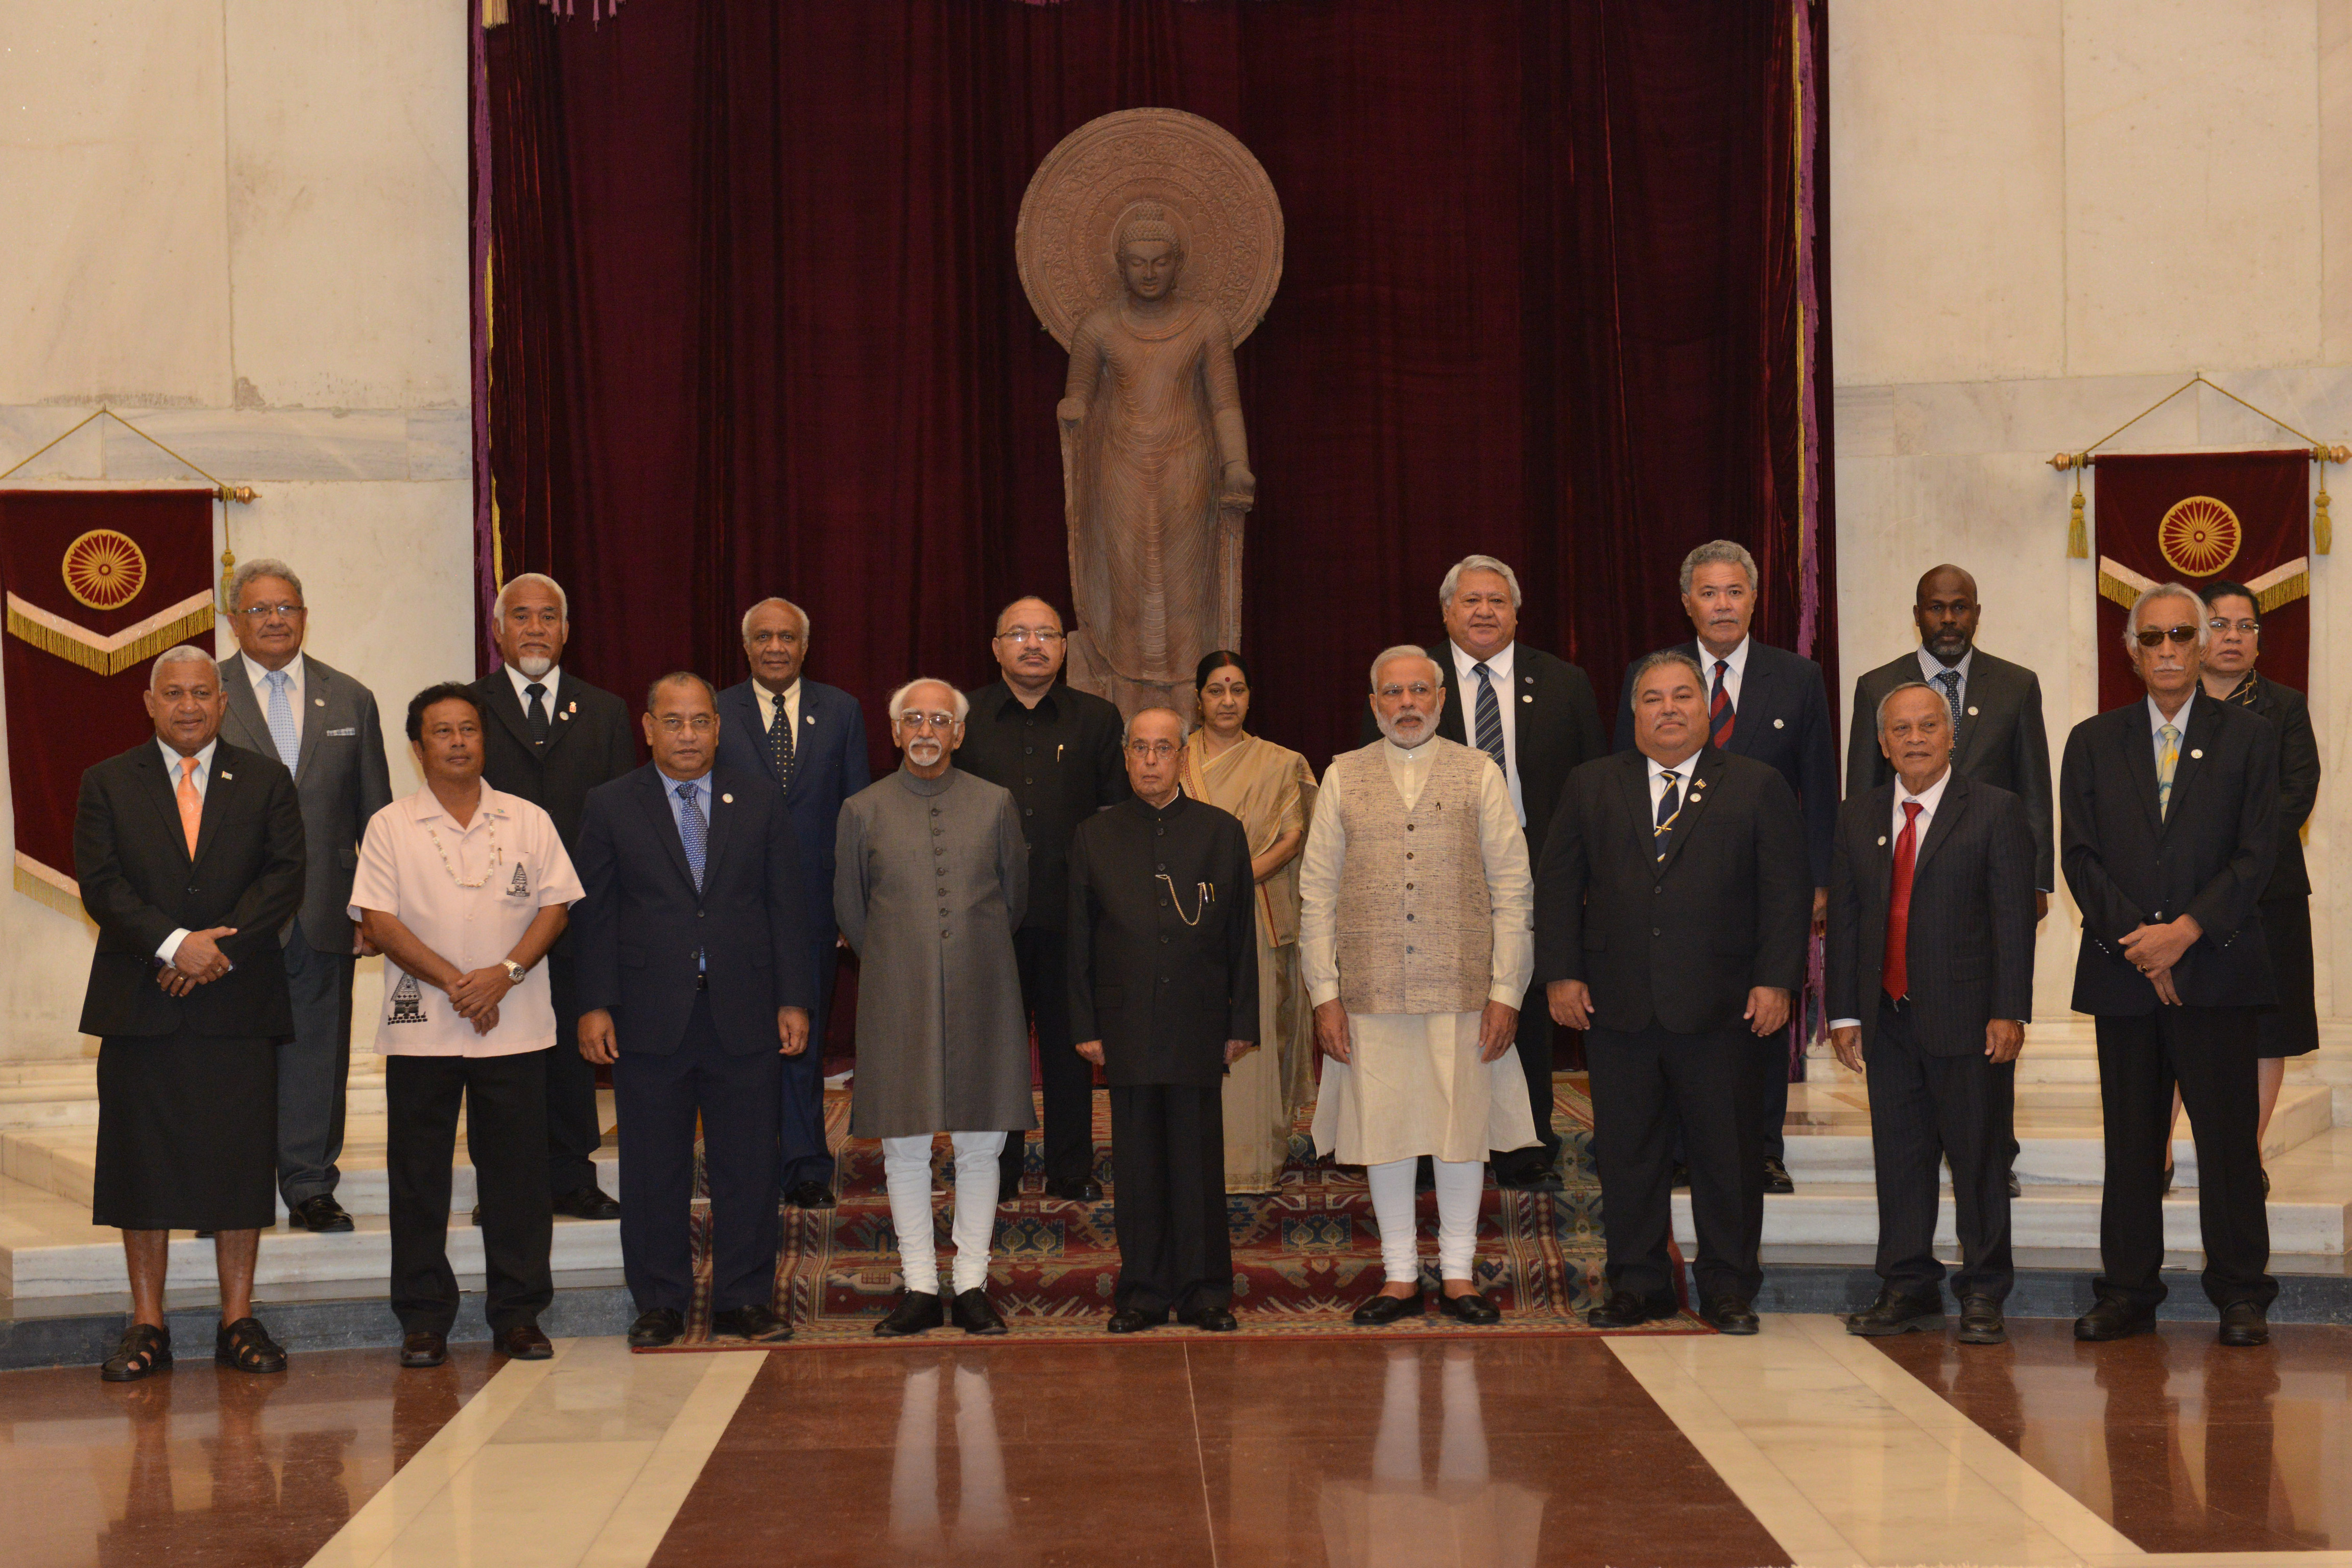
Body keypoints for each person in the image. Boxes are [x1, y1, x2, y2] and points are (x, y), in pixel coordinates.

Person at [1542, 650, 1810, 1333]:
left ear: (1705, 707)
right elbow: (1557, 887)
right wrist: (1562, 972)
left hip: (1723, 1008)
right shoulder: (1590, 783)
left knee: (1727, 1154)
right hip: (1617, 1005)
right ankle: (1638, 1282)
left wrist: (1776, 979)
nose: (1667, 708)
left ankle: (1727, 1286)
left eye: (1681, 695)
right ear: (1633, 713)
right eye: (1652, 697)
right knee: (1628, 1154)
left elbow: (1784, 894)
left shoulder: (1755, 784)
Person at [74, 645, 306, 1381]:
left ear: (223, 701)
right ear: (149, 701)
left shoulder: (266, 780)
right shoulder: (107, 781)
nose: (188, 706)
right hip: (141, 999)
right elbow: (102, 885)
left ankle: (238, 1317)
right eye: (172, 693)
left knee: (240, 1160)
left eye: (202, 693)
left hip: (237, 997)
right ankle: (148, 1322)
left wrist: (216, 951)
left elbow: (285, 875)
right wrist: (176, 946)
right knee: (142, 1163)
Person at [2061, 583, 2278, 1347]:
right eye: (2150, 637)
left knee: (2224, 1140)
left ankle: (2241, 1292)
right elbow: (2079, 857)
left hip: (2215, 968)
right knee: (2129, 1142)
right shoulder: (2091, 740)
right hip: (2124, 974)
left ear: (2198, 642)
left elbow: (2258, 855)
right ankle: (2126, 1290)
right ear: (2129, 647)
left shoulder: (2249, 738)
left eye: (2180, 635)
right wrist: (2141, 940)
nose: (2166, 649)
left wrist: (2183, 931)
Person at [574, 673, 814, 1349]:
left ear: (718, 727)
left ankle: (744, 1297)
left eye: (700, 721)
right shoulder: (611, 803)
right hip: (649, 1016)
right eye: (673, 721)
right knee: (653, 1166)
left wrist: (793, 996)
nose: (688, 734)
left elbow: (785, 907)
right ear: (647, 727)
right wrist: (595, 1004)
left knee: (749, 1163)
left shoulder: (760, 800)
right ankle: (660, 1300)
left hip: (744, 1011)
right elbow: (594, 914)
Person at [1302, 647, 1540, 1328]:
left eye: (1418, 690)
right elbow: (1314, 894)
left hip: (1463, 989)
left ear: (1439, 697)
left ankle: (1460, 1272)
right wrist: (1325, 993)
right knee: (1385, 1130)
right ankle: (1401, 1273)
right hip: (1369, 992)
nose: (1406, 702)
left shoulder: (1479, 771)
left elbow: (1512, 888)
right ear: (1373, 702)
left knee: (1459, 1128)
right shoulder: (1342, 775)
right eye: (1391, 692)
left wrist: (1507, 990)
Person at [351, 684, 583, 1368]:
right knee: (417, 1177)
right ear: (418, 747)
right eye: (442, 731)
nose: (458, 741)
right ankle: (423, 1319)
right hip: (423, 1025)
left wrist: (503, 973)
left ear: (484, 740)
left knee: (516, 1176)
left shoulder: (529, 818)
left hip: (514, 1023)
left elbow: (555, 907)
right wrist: (458, 981)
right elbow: (379, 920)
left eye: (469, 730)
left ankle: (518, 1314)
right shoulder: (390, 824)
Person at [1361, 556, 1607, 1190]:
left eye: (1497, 600)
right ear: (1445, 612)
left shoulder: (1564, 682)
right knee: (1434, 1006)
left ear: (1516, 613)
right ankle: (1424, 1142)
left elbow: (1595, 786)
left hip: (1542, 868)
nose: (1483, 612)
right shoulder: (1413, 682)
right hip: (1435, 875)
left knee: (1521, 996)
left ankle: (1523, 1143)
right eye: (1469, 600)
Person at [1616, 540, 1836, 1195]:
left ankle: (1763, 1148)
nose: (1722, 605)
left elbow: (1820, 787)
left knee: (1762, 1016)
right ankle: (1682, 1147)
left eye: (1734, 591)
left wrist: (1822, 878)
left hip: (1765, 887)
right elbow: (1624, 784)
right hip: (1668, 886)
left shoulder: (1795, 677)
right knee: (1679, 1018)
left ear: (1754, 599)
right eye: (1708, 593)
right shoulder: (1652, 674)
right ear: (1687, 602)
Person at [1827, 683, 2037, 1346]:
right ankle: (1906, 1286)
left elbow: (2013, 919)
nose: (1914, 738)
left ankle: (1982, 1291)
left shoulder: (1995, 811)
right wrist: (1841, 1011)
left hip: (1969, 1021)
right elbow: (1847, 922)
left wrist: (2009, 1009)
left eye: (1926, 726)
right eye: (1900, 729)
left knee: (1976, 1160)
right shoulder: (1857, 814)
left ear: (1950, 735)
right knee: (1900, 1160)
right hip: (1886, 1020)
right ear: (1881, 743)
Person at [1846, 563, 2053, 1199]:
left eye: (1959, 607)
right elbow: (1863, 788)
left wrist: (2037, 879)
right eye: (1935, 608)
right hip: (1900, 887)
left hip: (1986, 885)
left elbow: (2033, 787)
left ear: (1976, 612)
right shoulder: (1876, 685)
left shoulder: (2015, 685)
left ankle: (1994, 1150)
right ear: (1917, 613)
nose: (1947, 619)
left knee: (1990, 1020)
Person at [836, 679, 1036, 1337]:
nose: (926, 729)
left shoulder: (995, 803)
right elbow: (851, 911)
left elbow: (1016, 899)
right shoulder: (861, 809)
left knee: (982, 1144)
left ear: (958, 732)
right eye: (913, 718)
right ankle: (920, 1285)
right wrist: (904, 960)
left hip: (986, 990)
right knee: (905, 1146)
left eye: (940, 719)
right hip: (897, 994)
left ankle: (973, 1282)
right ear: (894, 732)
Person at [215, 557, 394, 1235]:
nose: (275, 619)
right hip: (232, 919)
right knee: (234, 1055)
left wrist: (374, 908)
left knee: (318, 1054)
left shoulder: (349, 697)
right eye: (260, 609)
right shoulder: (209, 691)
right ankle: (234, 1184)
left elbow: (375, 816)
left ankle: (311, 1184)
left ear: (305, 614)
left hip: (324, 913)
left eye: (287, 606)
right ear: (234, 621)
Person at [1069, 708, 1258, 1333]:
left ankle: (1206, 1289)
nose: (1151, 760)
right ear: (1125, 757)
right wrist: (1086, 1022)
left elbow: (1239, 938)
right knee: (1139, 1161)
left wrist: (1241, 1020)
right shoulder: (1094, 836)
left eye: (1163, 749)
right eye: (1140, 749)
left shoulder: (1220, 831)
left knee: (1197, 1160)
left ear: (1182, 756)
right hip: (1123, 1024)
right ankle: (1143, 1290)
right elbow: (1079, 940)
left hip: (1200, 1020)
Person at [468, 572, 635, 1222]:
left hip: (582, 911)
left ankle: (571, 1174)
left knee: (571, 1051)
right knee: (495, 1057)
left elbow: (625, 813)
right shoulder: (470, 706)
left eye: (547, 617)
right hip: (493, 916)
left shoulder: (604, 710)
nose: (534, 628)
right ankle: (503, 1184)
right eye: (521, 616)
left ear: (566, 631)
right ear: (498, 629)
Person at [956, 596, 1129, 1203]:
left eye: (1047, 634)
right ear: (996, 646)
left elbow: (1114, 820)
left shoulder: (1098, 719)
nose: (1034, 644)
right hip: (983, 916)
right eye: (1019, 634)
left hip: (1070, 912)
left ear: (1064, 647)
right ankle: (994, 1172)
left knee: (1069, 1044)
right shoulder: (963, 716)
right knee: (992, 1049)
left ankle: (1070, 1167)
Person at [714, 596, 870, 1210]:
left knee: (800, 1041)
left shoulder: (842, 711)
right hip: (731, 910)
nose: (775, 647)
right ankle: (748, 1160)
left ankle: (807, 1163)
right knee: (740, 1043)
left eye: (787, 637)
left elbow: (856, 813)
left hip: (812, 909)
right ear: (746, 646)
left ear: (805, 647)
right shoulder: (717, 710)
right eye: (763, 637)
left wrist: (849, 908)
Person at [2173, 578, 2320, 1185]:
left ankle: (2245, 1153)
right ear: (2197, 636)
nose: (2232, 637)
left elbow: (2296, 795)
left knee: (2267, 1028)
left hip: (2268, 896)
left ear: (2259, 640)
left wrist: (2236, 858)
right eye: (2220, 624)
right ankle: (2156, 1148)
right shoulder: (2171, 705)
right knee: (2175, 1023)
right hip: (2183, 896)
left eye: (2245, 626)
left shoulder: (2283, 707)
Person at [1180, 650, 1316, 1190]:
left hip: (1257, 917)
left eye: (1237, 688)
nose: (1228, 700)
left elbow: (1293, 837)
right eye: (1216, 689)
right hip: (1187, 917)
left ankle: (1258, 1159)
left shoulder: (1282, 762)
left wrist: (1232, 882)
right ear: (1198, 698)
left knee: (1258, 1038)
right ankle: (1198, 1155)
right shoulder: (1175, 757)